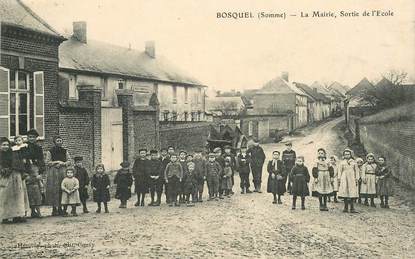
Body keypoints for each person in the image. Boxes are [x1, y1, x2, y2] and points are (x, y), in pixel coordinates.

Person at [0, 137, 30, 224]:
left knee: (17, 196)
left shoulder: (14, 153)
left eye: (7, 145)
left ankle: (17, 215)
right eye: (3, 145)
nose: (5, 147)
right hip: (4, 177)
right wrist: (3, 170)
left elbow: (19, 163)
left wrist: (21, 172)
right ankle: (5, 216)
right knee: (5, 196)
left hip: (15, 176)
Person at [45, 136, 72, 216]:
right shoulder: (50, 151)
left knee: (61, 189)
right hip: (53, 173)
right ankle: (54, 209)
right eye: (58, 141)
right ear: (54, 142)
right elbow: (47, 162)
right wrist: (56, 162)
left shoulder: (65, 151)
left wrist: (62, 163)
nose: (59, 142)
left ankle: (61, 208)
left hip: (62, 172)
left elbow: (69, 161)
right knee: (54, 190)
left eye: (60, 140)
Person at [25, 129, 45, 216]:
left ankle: (37, 210)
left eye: (33, 137)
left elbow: (41, 160)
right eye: (30, 137)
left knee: (37, 191)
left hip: (36, 169)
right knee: (28, 191)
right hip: (27, 170)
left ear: (36, 138)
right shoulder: (24, 147)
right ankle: (32, 211)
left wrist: (41, 173)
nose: (31, 139)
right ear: (27, 138)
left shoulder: (38, 148)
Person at [338, 148, 359, 213]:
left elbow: (357, 171)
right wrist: (339, 178)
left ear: (350, 155)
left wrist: (357, 178)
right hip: (344, 177)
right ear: (344, 155)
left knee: (352, 191)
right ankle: (345, 207)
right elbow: (340, 171)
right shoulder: (342, 162)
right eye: (345, 154)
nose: (347, 155)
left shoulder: (354, 162)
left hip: (352, 178)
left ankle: (352, 207)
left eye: (348, 154)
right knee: (345, 191)